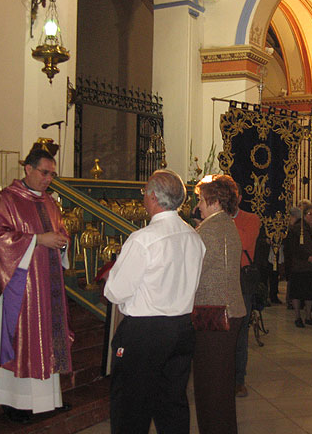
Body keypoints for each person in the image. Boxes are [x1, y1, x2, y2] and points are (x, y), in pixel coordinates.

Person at [0, 149, 73, 424]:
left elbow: (58, 230)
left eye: (52, 174)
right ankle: (13, 401)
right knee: (21, 339)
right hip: (20, 287)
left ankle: (46, 400)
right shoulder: (7, 199)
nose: (48, 179)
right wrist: (38, 240)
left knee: (46, 340)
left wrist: (62, 240)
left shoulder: (51, 203)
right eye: (44, 172)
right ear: (27, 169)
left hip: (47, 284)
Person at [104, 169, 206, 434]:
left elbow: (115, 292)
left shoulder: (143, 240)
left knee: (130, 408)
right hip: (182, 329)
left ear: (152, 197)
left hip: (145, 334)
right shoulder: (194, 237)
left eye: (144, 193)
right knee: (171, 404)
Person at [193, 175, 246, 434]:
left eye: (201, 200)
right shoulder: (226, 224)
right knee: (221, 383)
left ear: (214, 201)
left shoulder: (209, 229)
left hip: (213, 313)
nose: (198, 206)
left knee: (210, 386)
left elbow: (193, 272)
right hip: (229, 310)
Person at [232, 185, 261, 398]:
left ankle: (238, 379)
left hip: (241, 281)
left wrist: (223, 222)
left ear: (239, 198)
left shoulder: (251, 219)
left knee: (240, 332)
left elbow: (244, 242)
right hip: (220, 279)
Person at [289, 205, 312, 327]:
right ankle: (297, 317)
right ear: (304, 215)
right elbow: (294, 248)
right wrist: (308, 258)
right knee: (297, 292)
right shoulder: (297, 229)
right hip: (299, 266)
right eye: (310, 214)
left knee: (310, 292)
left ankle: (308, 316)